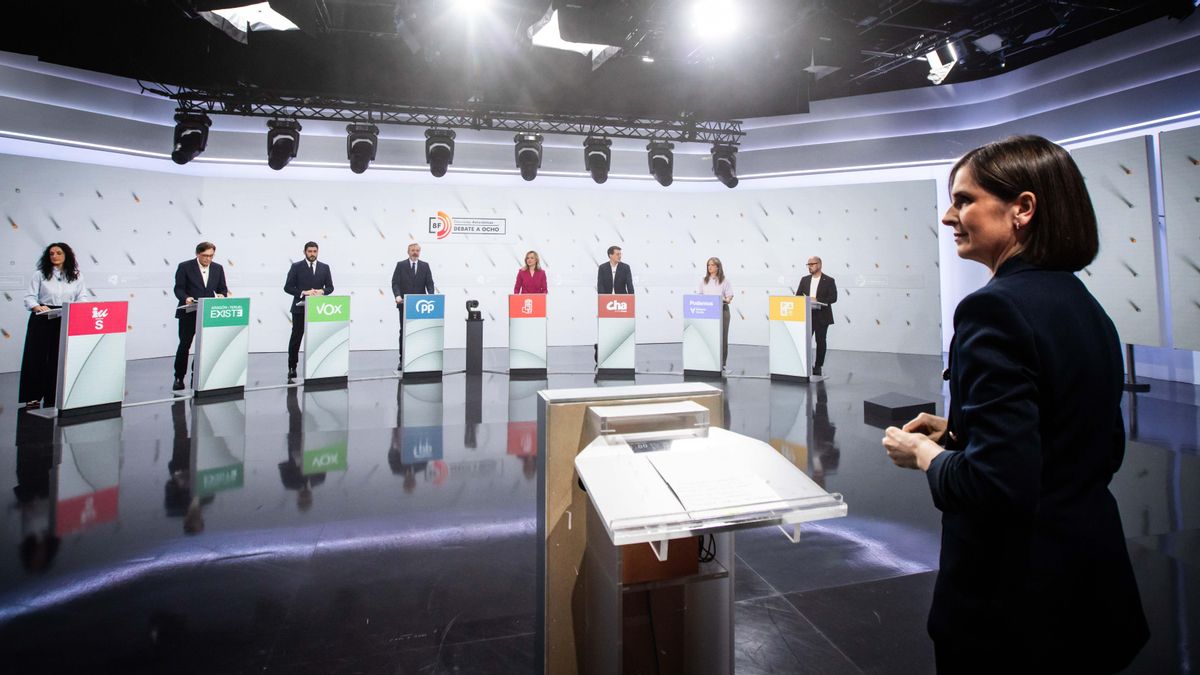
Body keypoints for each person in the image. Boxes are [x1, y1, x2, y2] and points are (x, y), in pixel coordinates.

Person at [881, 136, 1148, 673]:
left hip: (1015, 611)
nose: (948, 216)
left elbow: (996, 485)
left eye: (963, 200)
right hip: (1092, 593)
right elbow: (1088, 443)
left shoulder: (993, 311)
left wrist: (926, 455)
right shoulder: (1084, 304)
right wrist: (961, 429)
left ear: (1022, 208)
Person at [19, 243, 89, 408]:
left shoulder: (76, 275)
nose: (54, 256)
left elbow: (82, 297)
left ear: (66, 255)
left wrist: (78, 308)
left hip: (65, 316)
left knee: (59, 358)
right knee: (36, 357)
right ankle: (33, 396)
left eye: (58, 253)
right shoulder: (40, 274)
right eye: (51, 253)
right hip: (42, 317)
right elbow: (30, 297)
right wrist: (37, 307)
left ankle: (54, 395)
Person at [173, 242, 229, 391]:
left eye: (211, 256)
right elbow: (178, 288)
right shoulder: (185, 266)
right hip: (189, 312)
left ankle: (196, 375)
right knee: (184, 345)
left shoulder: (218, 268)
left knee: (204, 346)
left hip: (208, 313)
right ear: (198, 254)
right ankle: (179, 377)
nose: (208, 259)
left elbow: (223, 289)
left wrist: (222, 296)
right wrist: (186, 298)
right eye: (205, 256)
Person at [283, 241, 335, 380]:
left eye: (314, 251)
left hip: (318, 309)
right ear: (305, 252)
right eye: (310, 251)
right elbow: (287, 287)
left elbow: (330, 287)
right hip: (299, 308)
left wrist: (322, 291)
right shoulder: (296, 267)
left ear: (318, 252)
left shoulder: (325, 267)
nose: (312, 254)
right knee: (296, 338)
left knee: (317, 338)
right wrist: (303, 292)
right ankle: (292, 367)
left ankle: (317, 366)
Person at [391, 242, 435, 370]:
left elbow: (430, 284)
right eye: (413, 250)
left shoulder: (425, 266)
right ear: (408, 252)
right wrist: (397, 296)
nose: (415, 253)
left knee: (419, 331)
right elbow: (395, 283)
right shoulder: (401, 265)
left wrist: (431, 296)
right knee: (404, 331)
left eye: (417, 250)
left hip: (421, 307)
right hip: (404, 304)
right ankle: (402, 360)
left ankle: (419, 358)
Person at [795, 256, 837, 376]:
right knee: (804, 341)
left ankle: (818, 366)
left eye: (812, 264)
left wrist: (817, 299)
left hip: (822, 316)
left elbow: (833, 298)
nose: (809, 267)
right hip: (807, 316)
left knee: (820, 341)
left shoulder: (829, 280)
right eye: (808, 265)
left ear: (819, 264)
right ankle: (803, 364)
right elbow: (798, 296)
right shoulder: (804, 280)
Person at [595, 245, 634, 364]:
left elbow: (629, 284)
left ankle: (622, 352)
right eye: (617, 254)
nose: (620, 256)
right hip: (606, 302)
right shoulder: (602, 268)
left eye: (620, 254)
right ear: (610, 255)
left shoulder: (625, 267)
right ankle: (602, 349)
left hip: (622, 302)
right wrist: (603, 299)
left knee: (621, 328)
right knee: (607, 328)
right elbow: (600, 284)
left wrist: (631, 299)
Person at [697, 257, 733, 371]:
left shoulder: (724, 280)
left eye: (712, 265)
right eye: (708, 265)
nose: (710, 267)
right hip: (708, 311)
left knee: (722, 337)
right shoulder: (704, 280)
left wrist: (727, 299)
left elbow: (729, 295)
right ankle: (708, 361)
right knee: (708, 337)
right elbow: (700, 295)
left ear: (718, 267)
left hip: (722, 310)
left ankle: (722, 363)